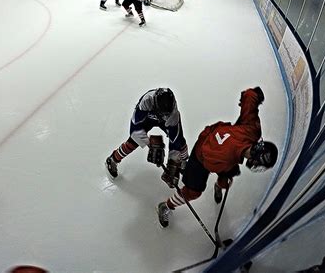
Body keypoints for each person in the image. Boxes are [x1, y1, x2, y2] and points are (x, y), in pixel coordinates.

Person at [157, 87, 278, 228]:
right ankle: (166, 206)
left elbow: (250, 101)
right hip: (201, 155)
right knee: (193, 192)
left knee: (225, 178)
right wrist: (226, 173)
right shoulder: (225, 159)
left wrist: (254, 94)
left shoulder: (253, 131)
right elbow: (211, 163)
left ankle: (218, 186)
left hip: (215, 138)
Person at [105, 88, 189, 180]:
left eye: (166, 115)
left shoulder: (173, 114)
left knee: (180, 142)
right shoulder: (146, 101)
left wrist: (173, 165)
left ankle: (184, 162)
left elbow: (175, 140)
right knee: (133, 141)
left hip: (162, 120)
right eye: (163, 114)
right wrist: (150, 144)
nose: (164, 117)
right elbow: (134, 128)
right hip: (147, 119)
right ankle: (112, 159)